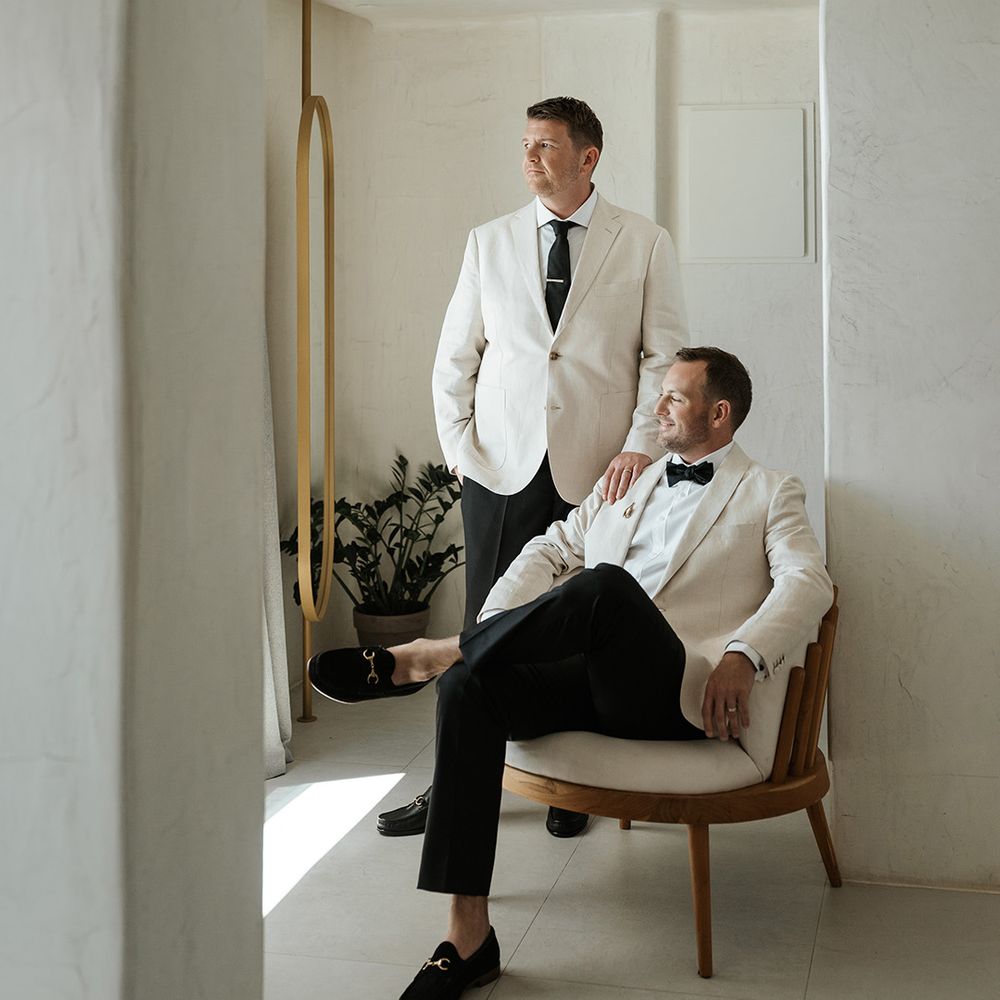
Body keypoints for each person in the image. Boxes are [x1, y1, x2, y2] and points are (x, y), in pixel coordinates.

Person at [309, 347, 834, 1000]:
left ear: (720, 414)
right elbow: (553, 546)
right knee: (467, 688)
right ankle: (467, 937)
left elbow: (809, 582)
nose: (656, 406)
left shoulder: (769, 490)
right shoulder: (632, 477)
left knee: (606, 587)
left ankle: (433, 652)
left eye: (673, 396)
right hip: (587, 678)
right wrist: (496, 624)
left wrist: (743, 653)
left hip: (673, 694)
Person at [376, 95, 687, 840]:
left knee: (575, 624)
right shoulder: (489, 242)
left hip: (602, 471)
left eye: (546, 144)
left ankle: (566, 785)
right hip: (500, 468)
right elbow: (456, 358)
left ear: (588, 157)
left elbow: (664, 356)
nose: (530, 157)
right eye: (525, 143)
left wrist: (641, 446)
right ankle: (454, 781)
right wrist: (462, 458)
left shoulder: (642, 242)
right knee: (483, 621)